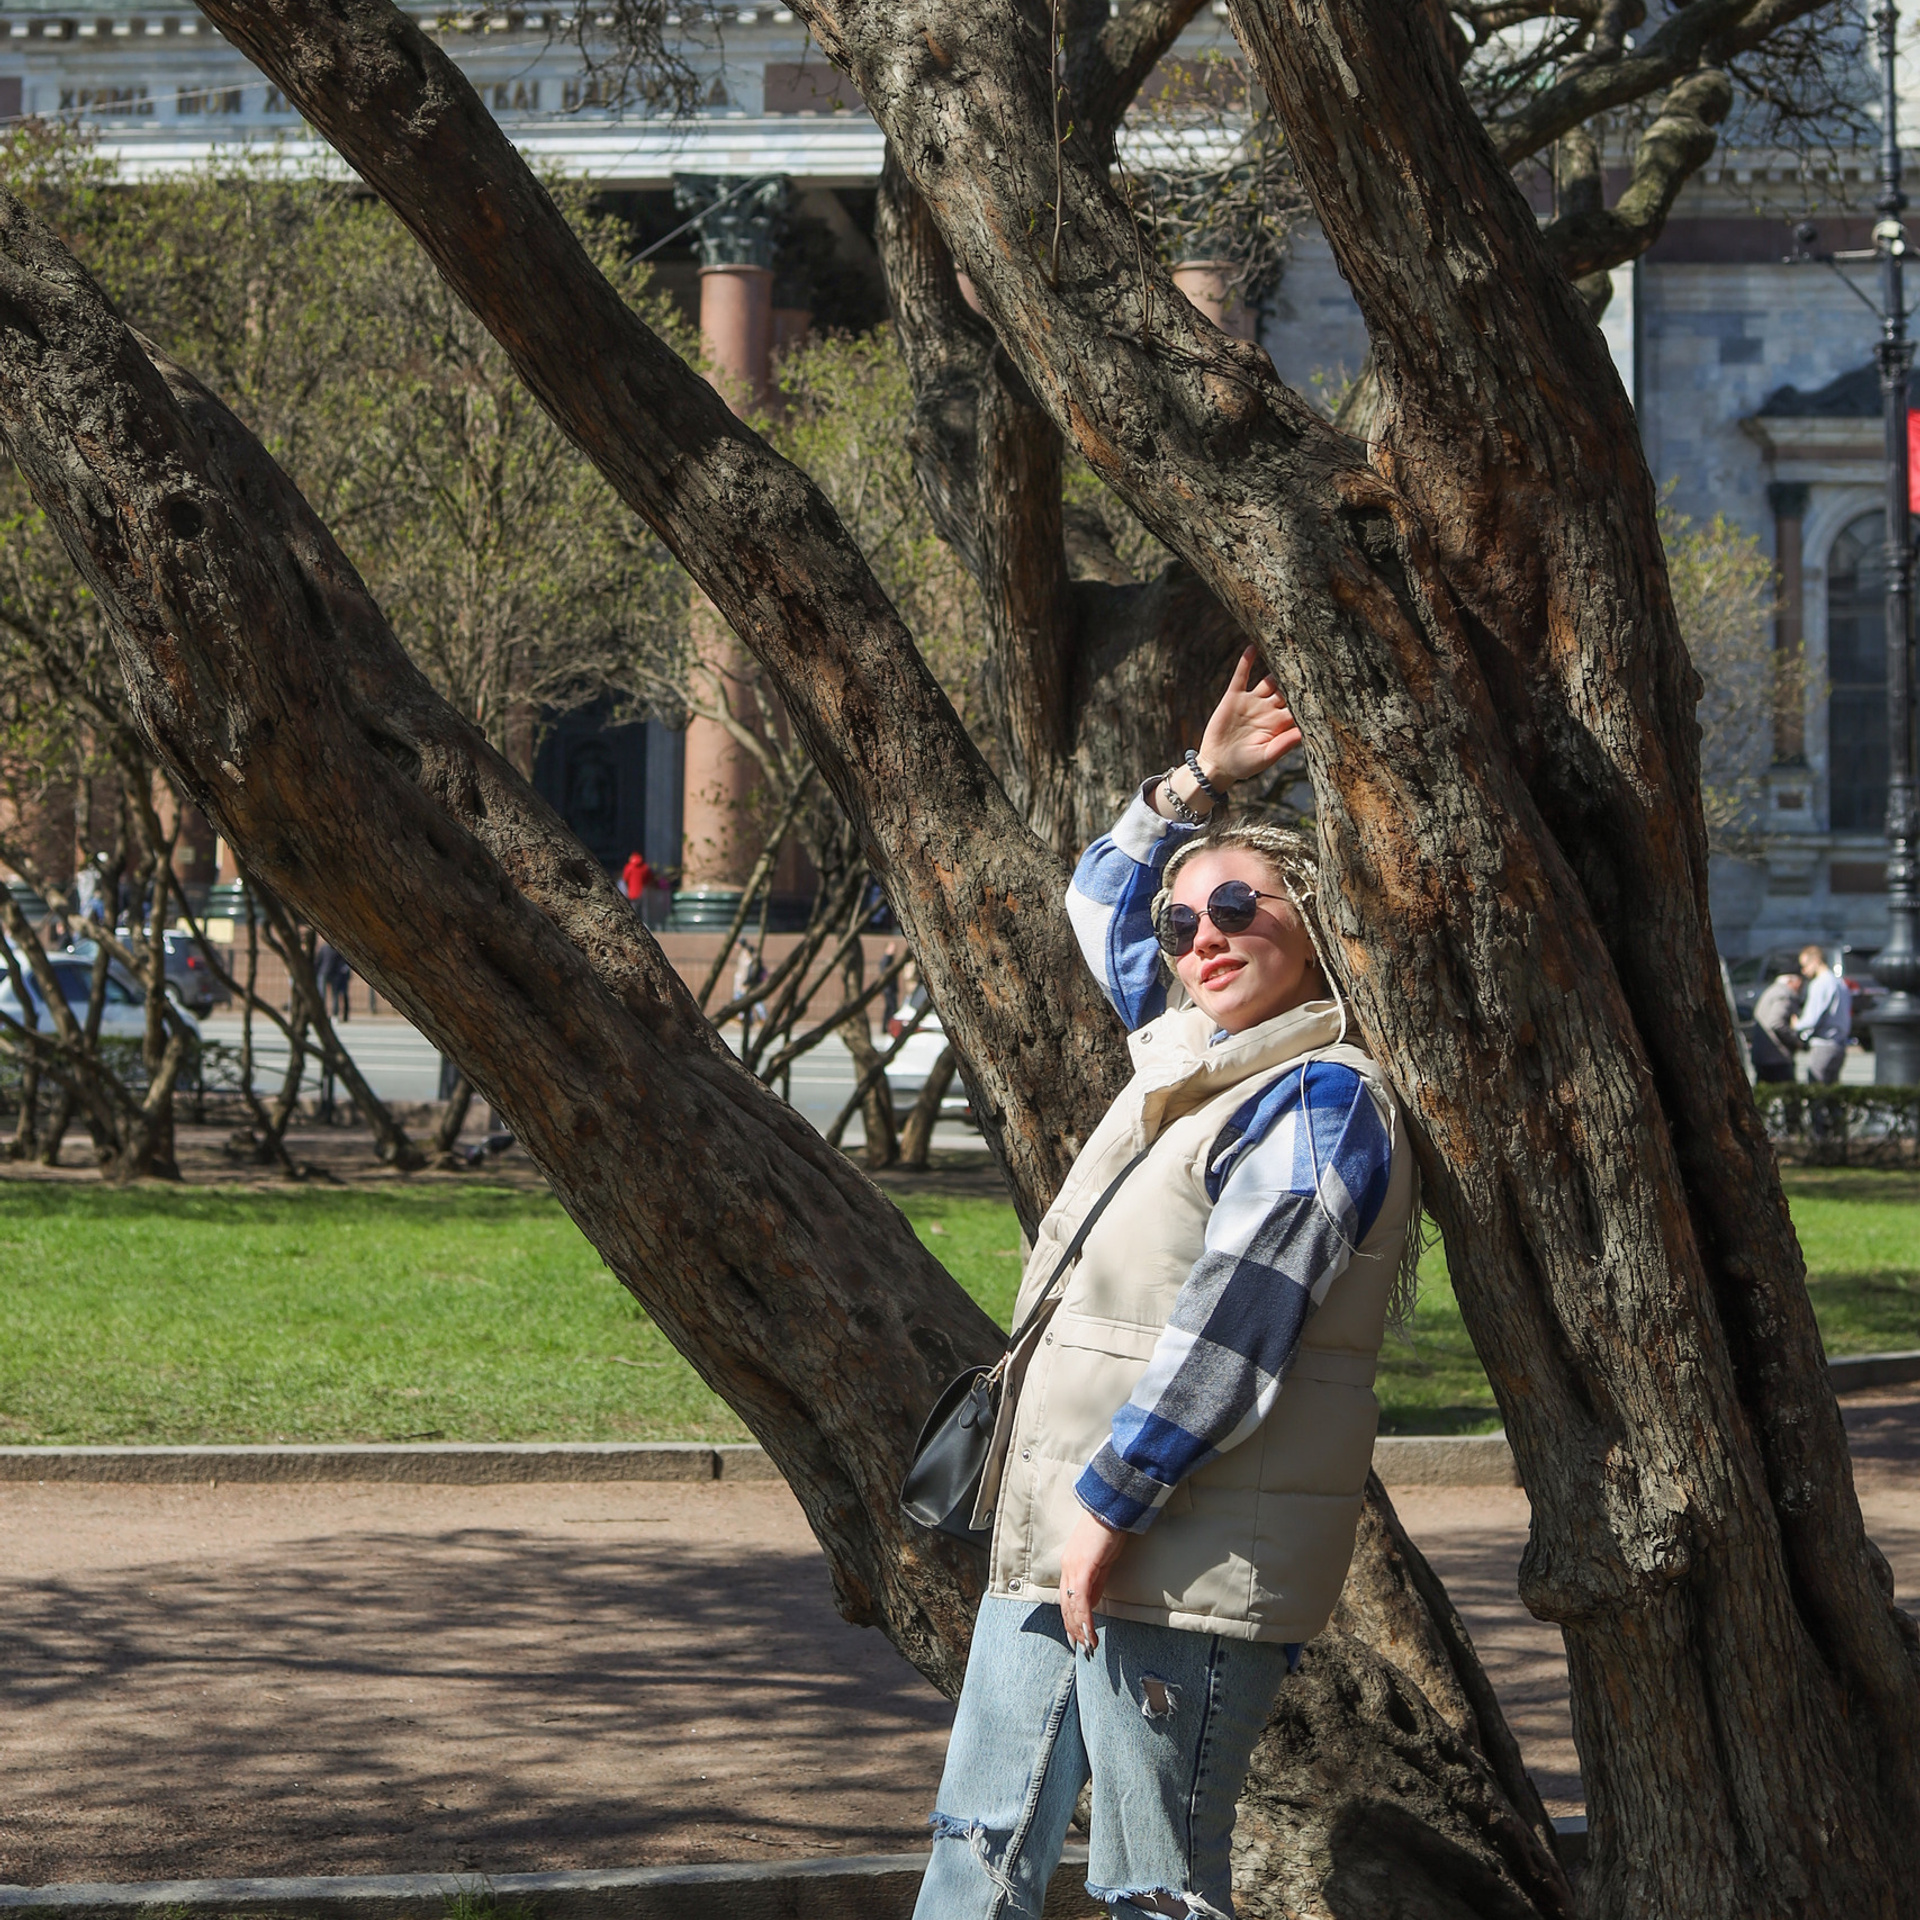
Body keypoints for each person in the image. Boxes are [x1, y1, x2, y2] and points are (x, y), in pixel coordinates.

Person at [914, 650, 1419, 1920]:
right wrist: (1202, 782)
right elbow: (1101, 903)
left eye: (1238, 911)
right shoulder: (1201, 1056)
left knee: (1156, 1888)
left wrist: (1112, 1509)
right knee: (978, 1847)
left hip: (1172, 1549)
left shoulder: (1320, 1099)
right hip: (1067, 1533)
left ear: (1315, 924)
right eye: (1185, 925)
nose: (1201, 941)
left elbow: (1236, 1337)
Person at [1794, 945, 1851, 1086]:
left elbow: (1811, 1019)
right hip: (1839, 1044)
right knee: (1832, 1094)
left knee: (1816, 1092)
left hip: (1823, 1045)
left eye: (1805, 965)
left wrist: (1796, 1025)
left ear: (1816, 961)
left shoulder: (1820, 983)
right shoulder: (1839, 982)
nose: (1804, 971)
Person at [1749, 972, 1803, 1084]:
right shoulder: (1784, 995)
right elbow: (1777, 1023)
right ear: (1791, 981)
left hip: (1764, 1056)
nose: (1801, 987)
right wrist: (1795, 1041)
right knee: (1785, 1096)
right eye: (1799, 983)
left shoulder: (1771, 991)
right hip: (1777, 1057)